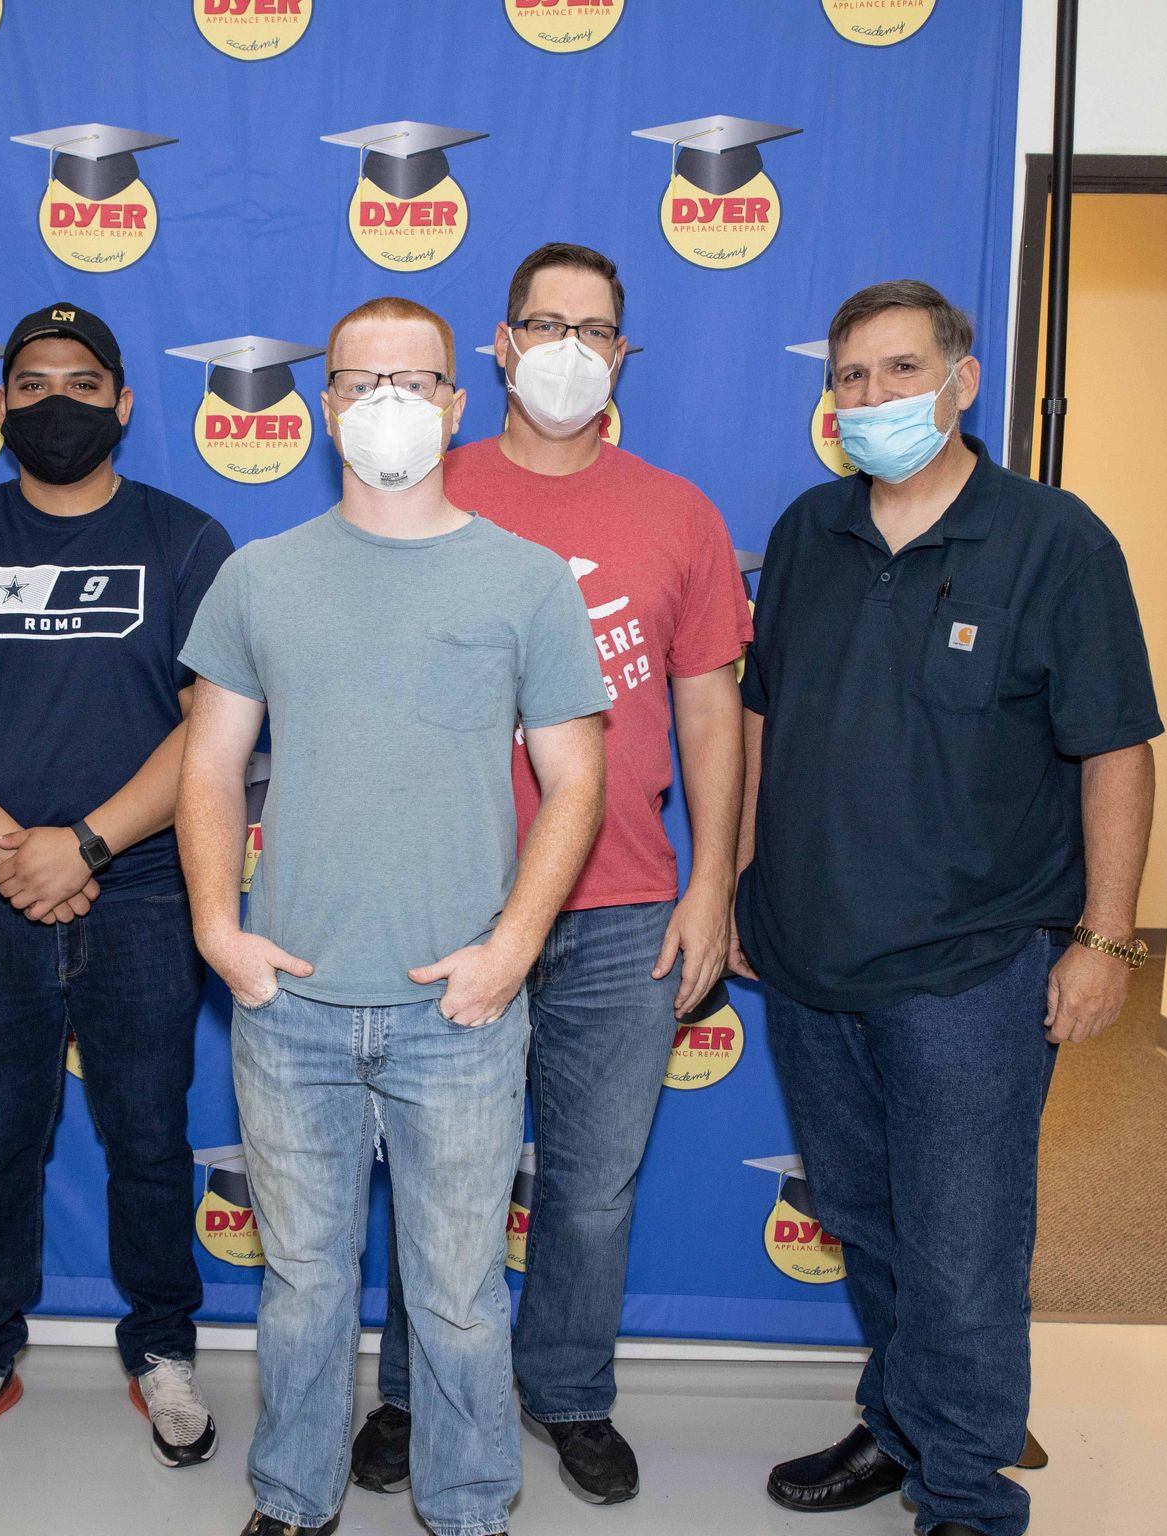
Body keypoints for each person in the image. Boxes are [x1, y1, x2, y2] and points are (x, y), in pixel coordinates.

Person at [177, 295, 610, 1536]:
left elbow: (576, 782)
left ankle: (468, 1508)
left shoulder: (527, 580)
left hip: (457, 1012)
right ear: (324, 406)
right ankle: (292, 1497)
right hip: (290, 1005)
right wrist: (218, 930)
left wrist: (510, 952)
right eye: (361, 382)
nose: (386, 404)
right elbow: (210, 766)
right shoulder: (259, 577)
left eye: (412, 382)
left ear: (457, 403)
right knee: (303, 1286)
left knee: (461, 1298)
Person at [733, 280, 1160, 1536]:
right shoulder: (807, 533)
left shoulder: (1054, 541)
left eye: (900, 370)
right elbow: (762, 719)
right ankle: (901, 1421)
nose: (873, 396)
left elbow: (1116, 749)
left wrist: (1104, 937)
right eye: (851, 377)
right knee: (867, 1224)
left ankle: (966, 1497)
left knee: (963, 1248)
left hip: (975, 970)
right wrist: (749, 884)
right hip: (812, 960)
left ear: (964, 381)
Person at [354, 242, 752, 1508]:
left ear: (623, 353)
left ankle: (570, 1390)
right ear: (501, 345)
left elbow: (711, 712)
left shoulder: (680, 514)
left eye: (595, 328)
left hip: (625, 906)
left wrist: (714, 884)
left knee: (591, 1188)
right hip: (450, 902)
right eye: (544, 323)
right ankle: (414, 1391)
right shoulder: (429, 488)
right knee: (437, 1179)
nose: (569, 349)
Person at [0, 303, 232, 1473]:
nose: (57, 401)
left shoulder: (187, 540)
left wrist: (84, 845)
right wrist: (11, 849)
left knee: (150, 1139)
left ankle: (163, 1348)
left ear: (123, 403)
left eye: (82, 383)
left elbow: (213, 725)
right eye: (31, 384)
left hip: (146, 892)